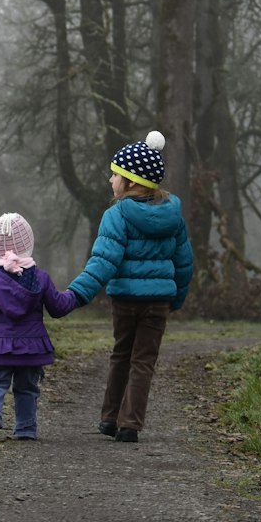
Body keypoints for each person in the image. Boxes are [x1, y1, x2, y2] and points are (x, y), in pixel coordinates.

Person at [66, 130, 193, 443]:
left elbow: (103, 262)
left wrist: (76, 294)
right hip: (159, 301)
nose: (111, 179)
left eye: (116, 174)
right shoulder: (173, 215)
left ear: (132, 181)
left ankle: (109, 418)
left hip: (125, 300)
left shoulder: (116, 215)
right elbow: (184, 262)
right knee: (143, 362)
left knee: (121, 355)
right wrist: (176, 298)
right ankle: (130, 424)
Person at [0, 211, 79, 441]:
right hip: (32, 347)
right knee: (27, 389)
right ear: (28, 243)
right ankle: (26, 429)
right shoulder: (41, 278)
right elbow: (57, 307)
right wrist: (76, 295)